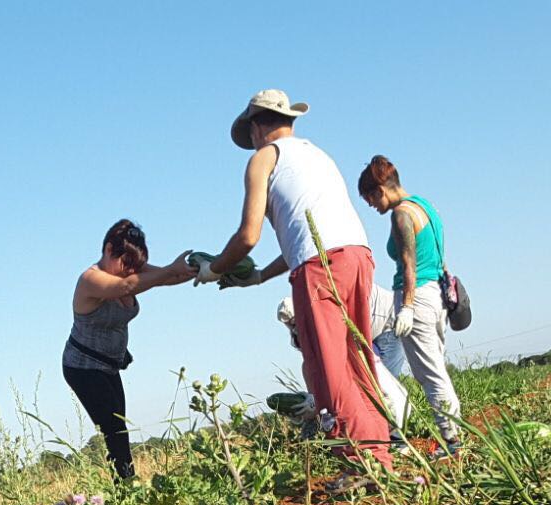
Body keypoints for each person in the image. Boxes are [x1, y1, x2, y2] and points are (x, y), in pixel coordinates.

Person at [196, 89, 396, 476]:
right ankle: (379, 455)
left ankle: (360, 465)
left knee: (328, 365)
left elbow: (248, 235)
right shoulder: (316, 154)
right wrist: (256, 277)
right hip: (356, 255)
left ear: (256, 127)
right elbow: (300, 236)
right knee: (358, 359)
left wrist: (215, 269)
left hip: (319, 266)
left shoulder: (262, 159)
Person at [63, 220, 193, 479]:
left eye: (135, 266)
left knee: (120, 426)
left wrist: (209, 269)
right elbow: (127, 287)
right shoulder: (91, 279)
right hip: (82, 367)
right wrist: (169, 269)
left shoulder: (129, 268)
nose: (130, 271)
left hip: (109, 366)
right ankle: (126, 489)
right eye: (126, 264)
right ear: (109, 249)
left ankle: (126, 484)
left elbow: (169, 278)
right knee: (114, 429)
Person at [358, 156, 463, 457]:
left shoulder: (401, 215)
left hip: (416, 297)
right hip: (437, 295)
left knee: (429, 373)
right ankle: (454, 435)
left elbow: (409, 264)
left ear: (380, 190)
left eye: (370, 199)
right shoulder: (425, 206)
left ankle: (453, 442)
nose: (372, 206)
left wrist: (406, 307)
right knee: (436, 367)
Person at [277, 289, 410, 452]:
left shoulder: (347, 352)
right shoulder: (313, 362)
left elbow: (344, 398)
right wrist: (310, 407)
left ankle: (389, 443)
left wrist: (316, 404)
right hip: (386, 412)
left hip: (392, 414)